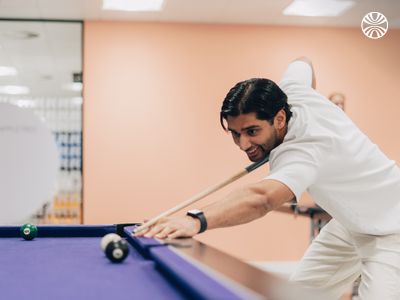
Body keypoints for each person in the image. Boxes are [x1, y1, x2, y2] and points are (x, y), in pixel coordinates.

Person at [135, 57, 400, 299]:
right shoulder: (292, 91)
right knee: (296, 296)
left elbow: (261, 199)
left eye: (252, 131)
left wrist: (195, 221)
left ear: (280, 118)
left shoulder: (304, 149)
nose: (243, 144)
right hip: (348, 223)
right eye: (235, 133)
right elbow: (303, 62)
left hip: (391, 228)